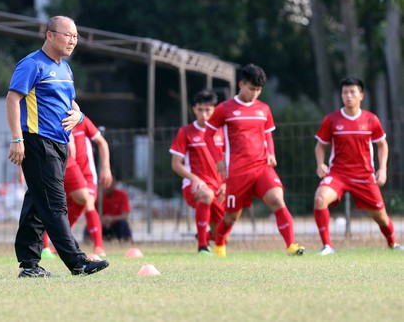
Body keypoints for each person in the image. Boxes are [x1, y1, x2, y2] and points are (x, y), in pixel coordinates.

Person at [7, 15, 109, 277]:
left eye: (75, 36)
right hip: (37, 141)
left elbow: (71, 104)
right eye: (67, 35)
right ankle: (77, 262)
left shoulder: (65, 68)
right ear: (49, 35)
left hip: (61, 143)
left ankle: (29, 265)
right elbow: (12, 98)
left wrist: (80, 115)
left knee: (36, 201)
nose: (73, 40)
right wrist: (17, 139)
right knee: (54, 203)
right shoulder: (32, 64)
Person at [204, 64, 305, 257]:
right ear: (241, 84)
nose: (254, 94)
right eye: (251, 89)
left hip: (261, 167)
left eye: (258, 90)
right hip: (237, 172)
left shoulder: (264, 109)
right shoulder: (224, 109)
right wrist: (218, 161)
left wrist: (271, 153)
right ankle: (219, 243)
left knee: (277, 199)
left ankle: (291, 245)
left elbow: (267, 134)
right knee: (232, 216)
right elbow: (208, 135)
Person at [313, 77, 404, 255]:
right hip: (338, 174)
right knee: (320, 198)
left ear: (361, 95)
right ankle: (327, 246)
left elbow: (382, 145)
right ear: (341, 95)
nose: (348, 96)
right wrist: (320, 164)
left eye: (352, 92)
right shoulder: (331, 120)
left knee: (381, 218)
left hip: (364, 176)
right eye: (345, 92)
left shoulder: (371, 119)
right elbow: (320, 145)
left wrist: (382, 169)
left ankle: (393, 244)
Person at [43, 116, 112, 258]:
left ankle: (99, 246)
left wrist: (106, 167)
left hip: (87, 175)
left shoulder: (81, 120)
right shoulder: (55, 120)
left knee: (87, 202)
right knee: (56, 206)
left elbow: (102, 142)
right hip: (66, 171)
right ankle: (51, 245)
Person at [170, 89, 226, 254]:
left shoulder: (222, 132)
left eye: (208, 110)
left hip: (219, 187)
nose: (203, 114)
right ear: (194, 109)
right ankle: (202, 246)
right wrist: (194, 179)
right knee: (206, 194)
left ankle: (205, 235)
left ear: (214, 110)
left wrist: (226, 184)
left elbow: (229, 162)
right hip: (194, 186)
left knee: (222, 235)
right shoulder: (185, 132)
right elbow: (176, 164)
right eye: (200, 110)